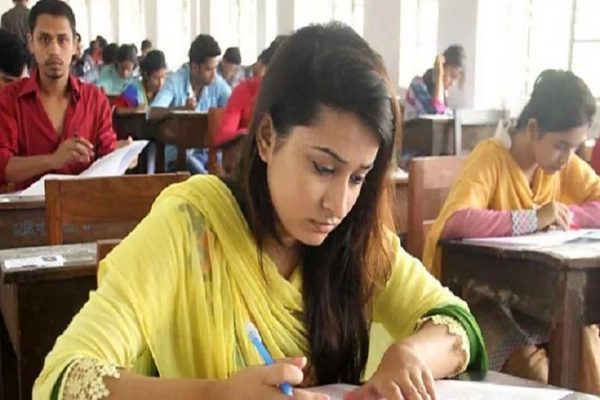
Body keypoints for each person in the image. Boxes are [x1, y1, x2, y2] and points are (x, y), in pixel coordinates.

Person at [33, 22, 487, 400]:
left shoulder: (356, 237)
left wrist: (410, 355)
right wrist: (217, 395)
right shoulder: (192, 227)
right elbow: (64, 378)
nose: (339, 203)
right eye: (323, 168)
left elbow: (455, 322)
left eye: (358, 177)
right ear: (267, 137)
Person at [423, 69, 600, 394]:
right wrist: (532, 219)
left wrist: (566, 214)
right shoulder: (490, 158)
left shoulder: (559, 164)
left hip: (541, 300)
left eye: (575, 148)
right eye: (561, 146)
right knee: (535, 373)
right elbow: (455, 221)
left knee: (585, 332)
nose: (567, 158)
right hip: (487, 304)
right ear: (533, 129)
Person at [0, 0, 127, 193]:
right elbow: (3, 166)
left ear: (75, 45)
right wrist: (52, 160)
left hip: (83, 205)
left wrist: (121, 157)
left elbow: (106, 159)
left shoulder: (95, 100)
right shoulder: (10, 98)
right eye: (44, 39)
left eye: (62, 40)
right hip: (29, 209)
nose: (54, 50)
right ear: (31, 43)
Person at [150, 34, 231, 174]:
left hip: (207, 153)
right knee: (205, 176)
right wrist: (181, 109)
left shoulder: (217, 83)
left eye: (215, 68)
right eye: (208, 69)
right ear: (194, 67)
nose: (213, 74)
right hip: (178, 155)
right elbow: (152, 112)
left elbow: (233, 103)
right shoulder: (174, 81)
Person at [215, 35, 287, 173]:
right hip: (251, 167)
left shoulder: (304, 98)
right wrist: (250, 134)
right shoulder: (245, 90)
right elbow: (223, 136)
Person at [404, 45, 465, 120]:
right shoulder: (417, 85)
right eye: (452, 75)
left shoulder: (443, 92)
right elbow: (436, 114)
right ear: (442, 67)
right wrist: (439, 75)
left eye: (456, 79)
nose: (453, 83)